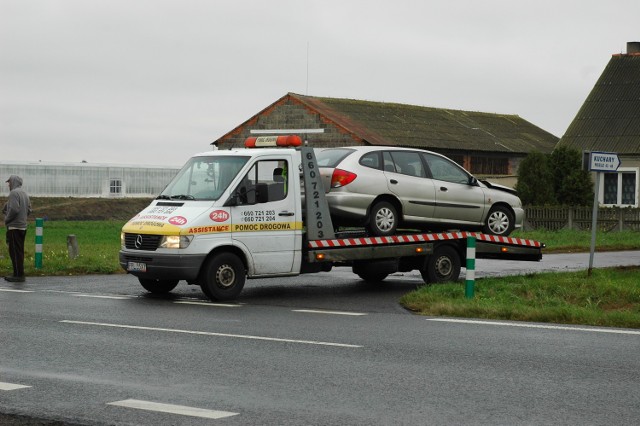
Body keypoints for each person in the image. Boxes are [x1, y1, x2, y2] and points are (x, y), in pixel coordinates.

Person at [3, 175, 32, 282]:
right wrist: (22, 217)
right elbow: (29, 210)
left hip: (14, 227)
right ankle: (18, 273)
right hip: (23, 227)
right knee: (19, 251)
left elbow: (14, 209)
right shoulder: (24, 193)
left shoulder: (14, 193)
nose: (8, 184)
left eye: (9, 182)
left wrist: (7, 220)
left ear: (14, 182)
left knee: (14, 251)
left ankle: (18, 275)